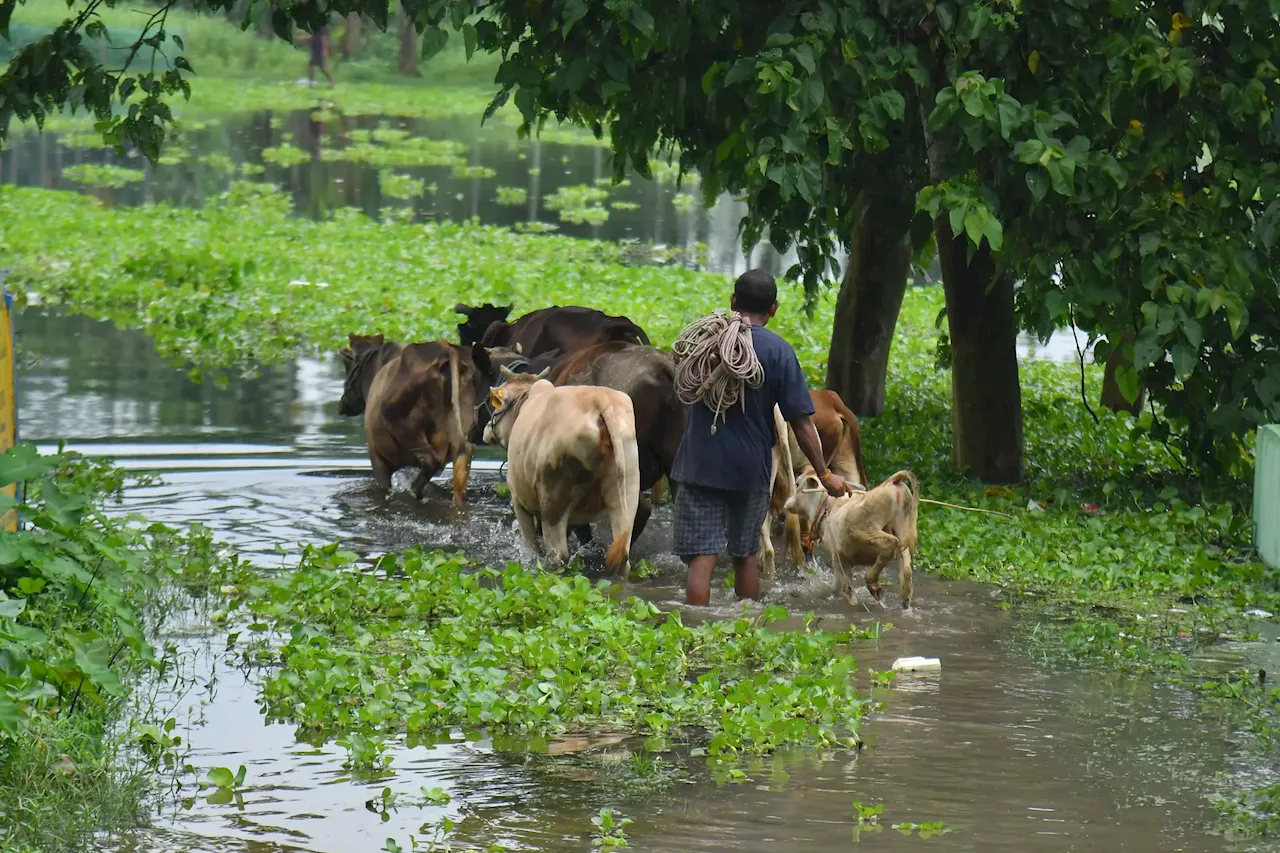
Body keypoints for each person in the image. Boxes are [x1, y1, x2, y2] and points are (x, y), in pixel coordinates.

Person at [671, 269, 855, 606]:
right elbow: (801, 422)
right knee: (746, 556)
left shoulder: (703, 344)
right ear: (774, 308)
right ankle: (747, 627)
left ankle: (695, 628)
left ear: (732, 301)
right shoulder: (780, 352)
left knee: (702, 557)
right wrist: (825, 475)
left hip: (700, 464)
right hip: (750, 469)